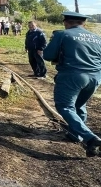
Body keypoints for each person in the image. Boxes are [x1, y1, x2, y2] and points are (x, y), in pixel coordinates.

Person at [43, 12, 101, 157]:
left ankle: (90, 138)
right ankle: (76, 135)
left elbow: (48, 55)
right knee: (79, 105)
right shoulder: (97, 38)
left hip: (72, 76)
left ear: (66, 22)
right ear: (84, 23)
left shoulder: (63, 34)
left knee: (65, 106)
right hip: (95, 77)